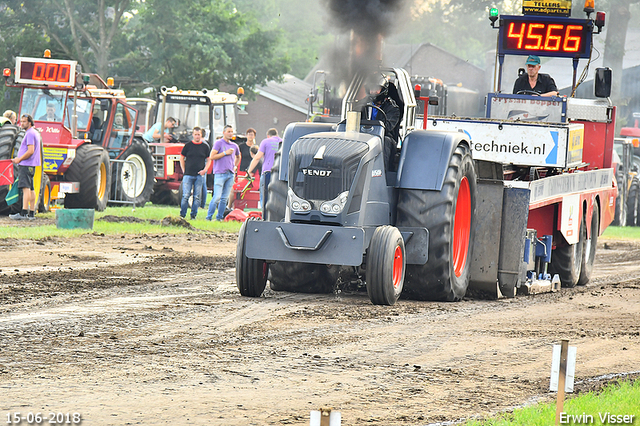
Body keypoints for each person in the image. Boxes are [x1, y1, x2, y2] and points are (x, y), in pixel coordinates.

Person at [362, 74, 400, 169]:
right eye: (372, 89)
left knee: (385, 141)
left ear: (384, 90)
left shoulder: (393, 108)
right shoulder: (361, 106)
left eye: (376, 89)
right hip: (363, 136)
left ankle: (382, 170)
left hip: (383, 137)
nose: (373, 92)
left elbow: (388, 127)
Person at [9, 114, 41, 221]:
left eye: (24, 122)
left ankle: (23, 213)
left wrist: (19, 159)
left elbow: (30, 150)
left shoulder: (30, 134)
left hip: (26, 165)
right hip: (32, 165)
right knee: (31, 188)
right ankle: (31, 213)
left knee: (25, 188)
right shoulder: (35, 132)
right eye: (21, 121)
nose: (21, 123)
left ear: (30, 123)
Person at [206, 124, 240, 221]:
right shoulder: (218, 143)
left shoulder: (234, 145)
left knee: (224, 198)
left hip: (230, 174)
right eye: (228, 131)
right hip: (220, 173)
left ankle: (219, 217)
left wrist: (235, 166)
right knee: (217, 197)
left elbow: (238, 156)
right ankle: (209, 217)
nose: (230, 133)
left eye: (231, 132)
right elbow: (212, 156)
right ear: (224, 132)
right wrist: (225, 153)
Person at [179, 127, 211, 220]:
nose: (197, 136)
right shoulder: (188, 146)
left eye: (199, 135)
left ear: (201, 135)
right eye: (195, 134)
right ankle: (182, 214)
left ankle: (193, 215)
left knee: (197, 196)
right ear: (193, 135)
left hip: (199, 175)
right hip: (188, 174)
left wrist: (205, 170)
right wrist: (184, 170)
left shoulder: (205, 147)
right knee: (185, 195)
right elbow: (181, 158)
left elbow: (209, 159)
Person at [247, 128, 282, 211]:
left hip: (267, 171)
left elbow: (257, 157)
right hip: (279, 172)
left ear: (268, 135)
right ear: (277, 135)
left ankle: (265, 215)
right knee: (277, 196)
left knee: (264, 195)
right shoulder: (283, 142)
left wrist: (249, 170)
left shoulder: (265, 141)